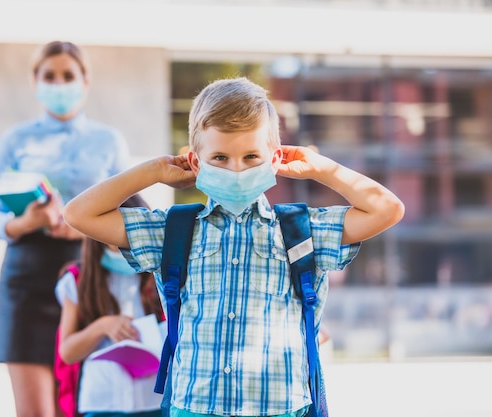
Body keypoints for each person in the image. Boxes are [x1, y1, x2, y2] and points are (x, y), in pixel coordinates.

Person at [61, 77, 405, 417]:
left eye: (252, 156)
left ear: (275, 159)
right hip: (194, 408)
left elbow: (387, 209)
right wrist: (153, 171)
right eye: (220, 158)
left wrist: (321, 168)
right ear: (196, 163)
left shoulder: (302, 229)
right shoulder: (173, 230)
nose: (236, 169)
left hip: (281, 408)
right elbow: (78, 214)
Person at [0, 40, 131, 417]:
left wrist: (82, 229)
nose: (59, 83)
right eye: (50, 76)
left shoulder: (109, 141)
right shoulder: (14, 140)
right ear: (35, 81)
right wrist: (25, 222)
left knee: (89, 405)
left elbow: (130, 214)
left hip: (89, 282)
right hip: (26, 284)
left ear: (85, 80)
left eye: (68, 75)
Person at [55, 194, 164, 417]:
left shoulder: (160, 276)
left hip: (154, 400)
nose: (125, 243)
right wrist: (103, 326)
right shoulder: (78, 280)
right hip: (102, 400)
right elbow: (67, 352)